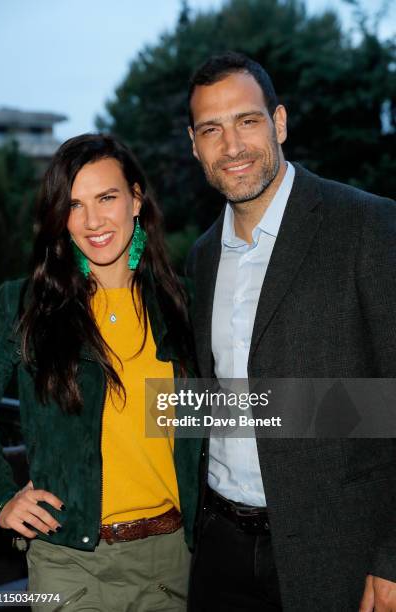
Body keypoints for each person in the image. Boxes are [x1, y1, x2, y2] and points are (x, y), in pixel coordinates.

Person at [185, 52, 396, 612]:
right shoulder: (201, 257)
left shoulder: (371, 226)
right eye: (212, 129)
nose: (231, 146)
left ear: (278, 123)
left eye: (246, 121)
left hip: (338, 554)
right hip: (219, 547)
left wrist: (394, 558)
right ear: (194, 144)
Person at [0, 133, 194, 611]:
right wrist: (0, 500)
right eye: (75, 205)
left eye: (107, 198)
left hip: (173, 564)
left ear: (136, 200)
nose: (92, 221)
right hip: (67, 566)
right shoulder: (22, 307)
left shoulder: (183, 304)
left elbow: (212, 421)